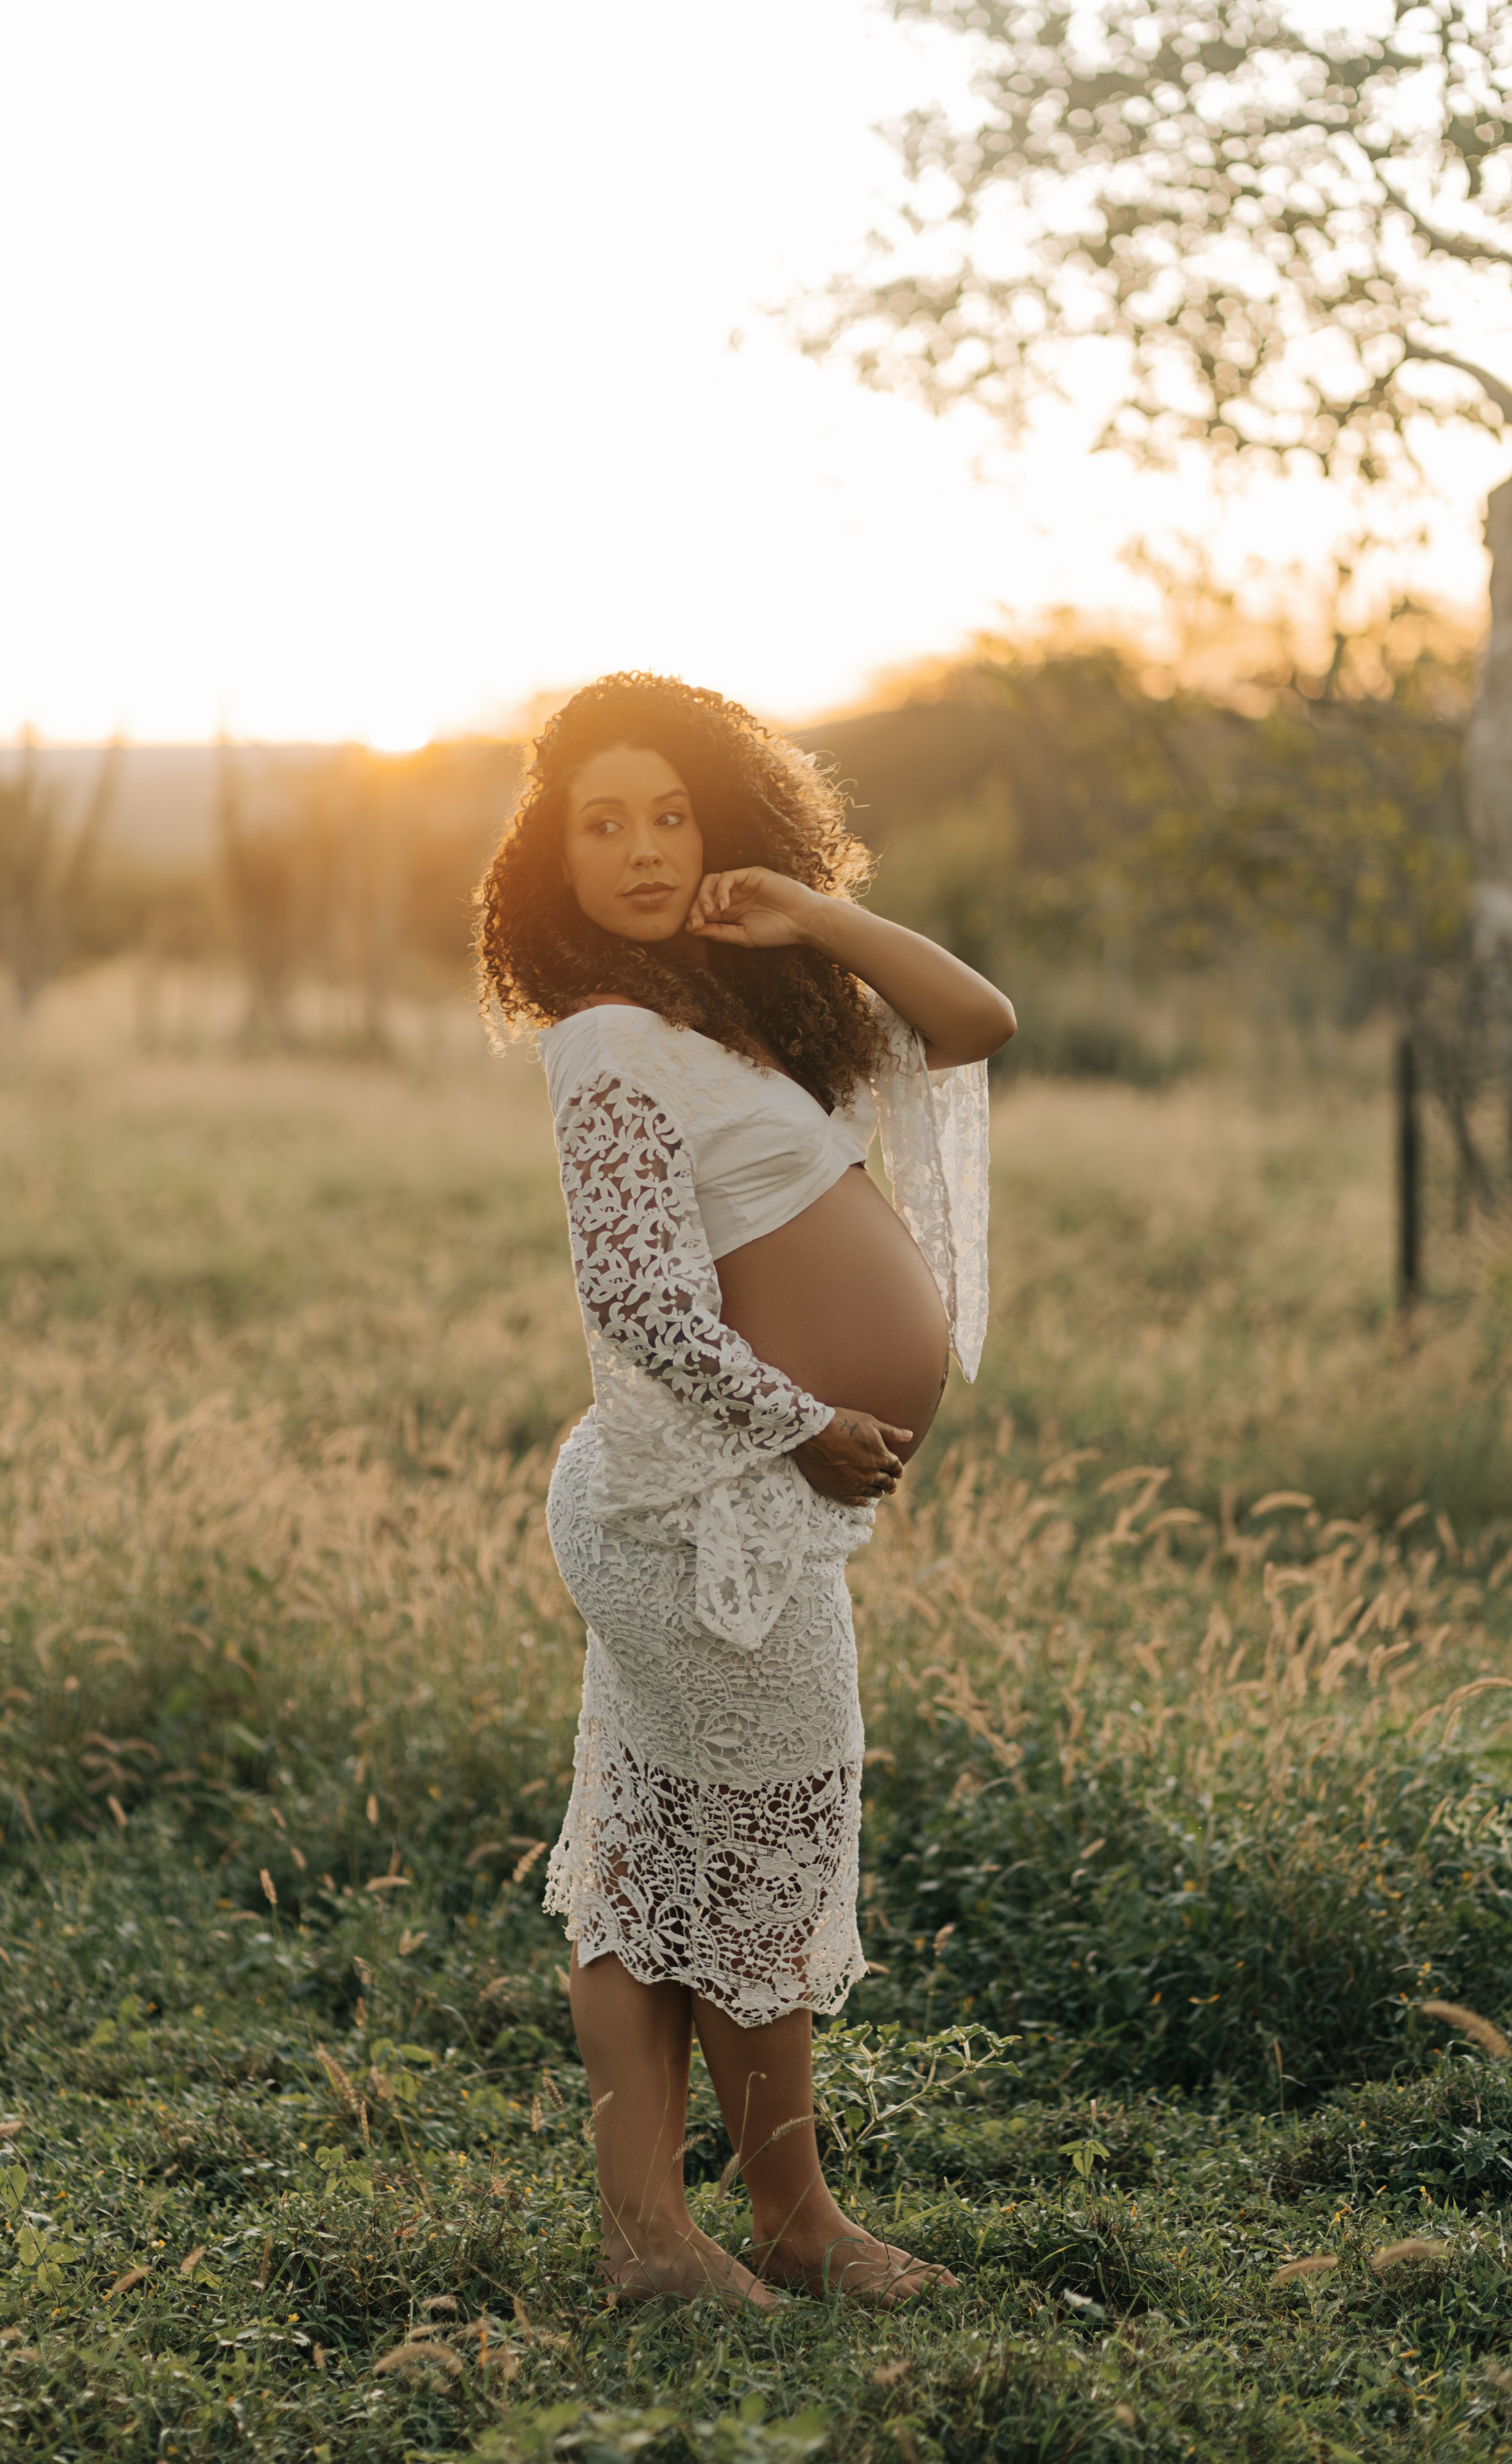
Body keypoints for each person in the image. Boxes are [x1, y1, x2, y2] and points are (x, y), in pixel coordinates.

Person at [474, 672, 1015, 2309]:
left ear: (718, 826)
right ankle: (780, 2226)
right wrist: (801, 1424)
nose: (639, 850)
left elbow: (973, 1022)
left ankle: (658, 2235)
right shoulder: (606, 1040)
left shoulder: (732, 1015)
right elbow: (638, 1295)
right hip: (701, 1508)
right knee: (755, 1861)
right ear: (549, 857)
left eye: (668, 815)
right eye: (600, 823)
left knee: (651, 1861)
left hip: (705, 1507)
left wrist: (808, 911)